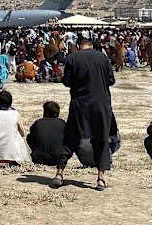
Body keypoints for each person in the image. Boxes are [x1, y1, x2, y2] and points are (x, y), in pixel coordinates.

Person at [54, 39, 116, 191]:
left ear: (78, 45)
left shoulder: (73, 58)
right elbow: (111, 80)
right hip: (101, 104)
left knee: (71, 137)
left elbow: (67, 81)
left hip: (80, 104)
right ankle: (101, 177)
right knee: (101, 139)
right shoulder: (102, 57)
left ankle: (59, 173)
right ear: (91, 45)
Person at [0, 91, 30, 167]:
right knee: (17, 136)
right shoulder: (15, 113)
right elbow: (23, 133)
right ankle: (13, 161)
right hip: (12, 154)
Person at [27, 101, 66, 166]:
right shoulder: (62, 123)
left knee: (30, 136)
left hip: (39, 158)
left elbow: (31, 136)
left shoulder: (38, 123)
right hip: (58, 158)